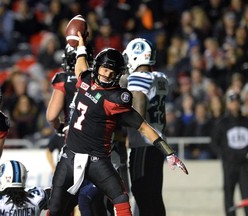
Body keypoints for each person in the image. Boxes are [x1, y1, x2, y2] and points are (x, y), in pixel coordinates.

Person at [46, 32, 188, 216]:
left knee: (120, 200)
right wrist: (81, 45)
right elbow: (81, 65)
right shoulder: (85, 79)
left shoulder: (116, 98)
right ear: (97, 68)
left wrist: (169, 152)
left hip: (98, 159)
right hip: (70, 156)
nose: (108, 74)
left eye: (112, 72)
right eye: (105, 69)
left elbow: (143, 125)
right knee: (56, 208)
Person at [46, 43, 107, 216]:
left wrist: (60, 128)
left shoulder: (63, 80)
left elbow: (51, 116)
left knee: (62, 201)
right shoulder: (98, 81)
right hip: (95, 145)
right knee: (92, 199)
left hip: (71, 146)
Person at [122, 37, 169, 216]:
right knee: (155, 195)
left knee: (142, 193)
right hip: (158, 143)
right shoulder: (161, 78)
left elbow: (138, 112)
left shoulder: (137, 78)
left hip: (142, 144)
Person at [211, 90, 248, 216]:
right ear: (228, 104)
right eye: (232, 102)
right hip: (229, 164)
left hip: (245, 165)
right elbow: (214, 142)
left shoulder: (246, 122)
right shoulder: (223, 123)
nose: (235, 105)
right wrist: (224, 155)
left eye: (237, 102)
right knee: (229, 193)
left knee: (246, 193)